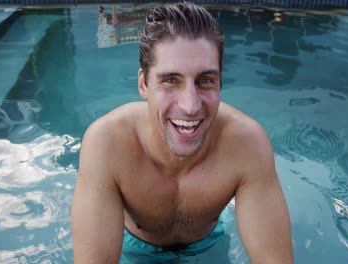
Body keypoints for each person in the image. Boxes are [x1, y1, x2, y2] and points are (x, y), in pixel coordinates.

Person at [71, 2, 293, 263]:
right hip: (135, 248)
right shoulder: (107, 143)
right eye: (170, 80)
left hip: (208, 245)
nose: (190, 106)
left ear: (220, 82)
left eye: (205, 81)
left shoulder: (247, 144)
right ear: (143, 84)